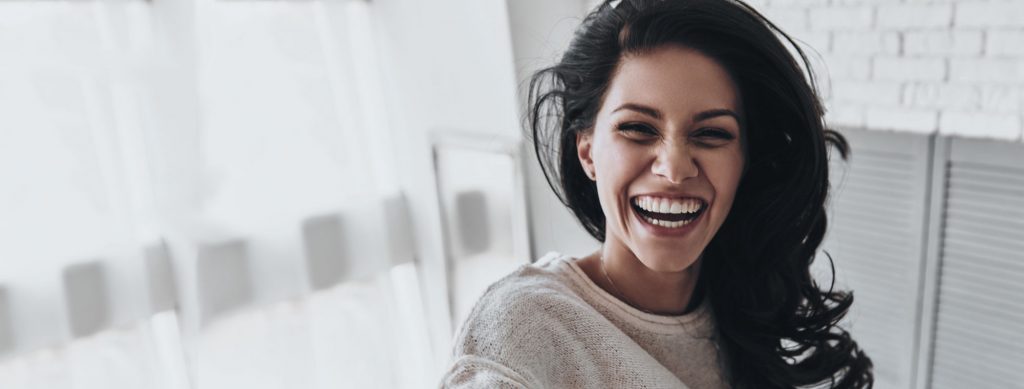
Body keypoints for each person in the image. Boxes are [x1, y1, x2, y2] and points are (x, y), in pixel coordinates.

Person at [440, 0, 874, 387]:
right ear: (588, 151)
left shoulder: (741, 306)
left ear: (746, 161)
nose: (674, 169)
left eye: (711, 134)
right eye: (637, 128)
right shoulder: (523, 329)